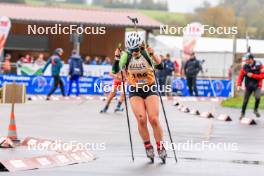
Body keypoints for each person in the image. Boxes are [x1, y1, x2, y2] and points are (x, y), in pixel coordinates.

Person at [119, 32, 166, 162]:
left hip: (150, 88)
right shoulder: (126, 56)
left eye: (136, 50)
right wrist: (118, 62)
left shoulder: (146, 53)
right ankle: (148, 146)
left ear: (140, 46)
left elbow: (161, 66)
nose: (134, 52)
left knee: (154, 119)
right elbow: (118, 70)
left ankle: (160, 146)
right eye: (131, 50)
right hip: (135, 90)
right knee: (141, 119)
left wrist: (153, 54)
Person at [237, 54, 264, 120]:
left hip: (257, 85)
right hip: (248, 86)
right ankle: (242, 114)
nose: (245, 61)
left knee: (257, 98)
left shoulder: (259, 65)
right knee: (245, 100)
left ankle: (255, 110)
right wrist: (239, 84)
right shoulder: (244, 66)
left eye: (247, 59)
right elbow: (241, 76)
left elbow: (262, 76)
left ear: (251, 59)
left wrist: (253, 75)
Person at [100, 47, 125, 113]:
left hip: (123, 82)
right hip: (116, 82)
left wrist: (125, 78)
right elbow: (110, 73)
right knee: (111, 95)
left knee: (123, 94)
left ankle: (118, 107)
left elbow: (128, 74)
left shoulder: (125, 64)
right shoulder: (116, 64)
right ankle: (105, 107)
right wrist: (116, 76)